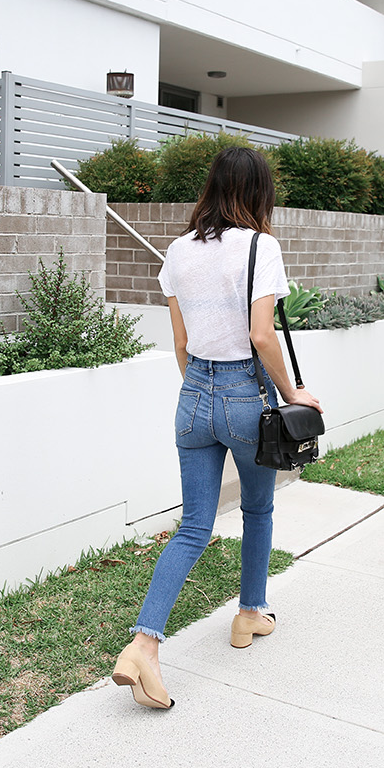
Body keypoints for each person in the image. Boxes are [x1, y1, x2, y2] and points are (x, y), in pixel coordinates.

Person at [111, 146, 323, 710]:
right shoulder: (261, 246)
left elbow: (180, 344)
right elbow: (261, 336)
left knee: (194, 526)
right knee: (257, 509)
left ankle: (143, 644)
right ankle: (249, 613)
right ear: (257, 192)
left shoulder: (179, 250)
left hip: (192, 395)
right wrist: (292, 393)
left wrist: (201, 391)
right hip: (243, 396)